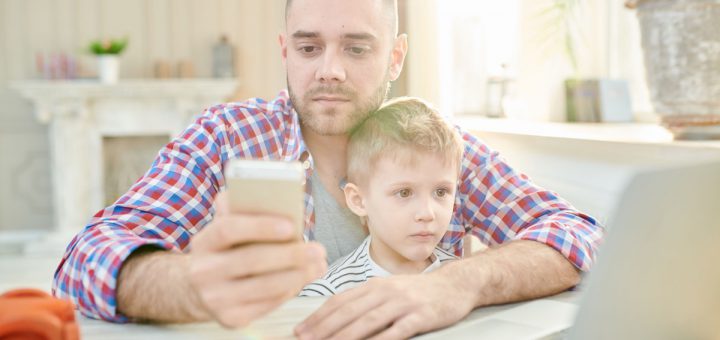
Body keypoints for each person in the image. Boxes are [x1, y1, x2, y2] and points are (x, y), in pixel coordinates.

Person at [52, 0, 604, 338]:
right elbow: (83, 260)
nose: (330, 71)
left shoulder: (437, 145)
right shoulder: (225, 137)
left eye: (357, 49)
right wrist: (186, 285)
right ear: (285, 51)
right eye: (309, 47)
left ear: (395, 56)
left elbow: (579, 234)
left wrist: (458, 282)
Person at [300, 97, 462, 297]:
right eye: (404, 193)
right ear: (358, 200)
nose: (427, 213)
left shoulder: (463, 279)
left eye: (441, 192)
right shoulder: (327, 293)